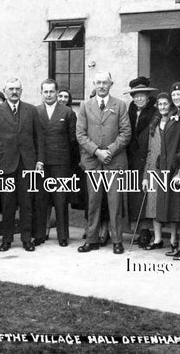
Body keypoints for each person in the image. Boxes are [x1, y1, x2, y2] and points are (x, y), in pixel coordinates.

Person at [0, 77, 45, 252]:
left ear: (21, 91)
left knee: (27, 203)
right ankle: (7, 239)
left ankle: (27, 239)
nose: (14, 92)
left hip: (27, 164)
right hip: (5, 164)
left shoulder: (31, 110)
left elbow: (39, 138)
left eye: (17, 89)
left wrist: (39, 161)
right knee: (7, 203)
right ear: (5, 91)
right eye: (11, 89)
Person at [76, 71, 131, 254]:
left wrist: (109, 151)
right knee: (93, 201)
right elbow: (80, 134)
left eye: (105, 82)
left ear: (111, 84)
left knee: (115, 202)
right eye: (98, 82)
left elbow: (126, 133)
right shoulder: (85, 106)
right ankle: (91, 239)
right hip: (93, 162)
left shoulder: (120, 105)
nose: (101, 86)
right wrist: (97, 151)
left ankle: (117, 240)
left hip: (114, 161)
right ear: (94, 83)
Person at [33, 79, 77, 247]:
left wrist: (71, 165)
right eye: (46, 91)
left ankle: (63, 236)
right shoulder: (35, 111)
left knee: (61, 199)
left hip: (61, 163)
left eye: (52, 92)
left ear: (57, 93)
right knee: (41, 199)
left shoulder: (67, 112)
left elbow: (72, 141)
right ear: (41, 93)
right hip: (41, 163)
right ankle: (39, 235)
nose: (49, 95)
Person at [156, 82, 180, 258]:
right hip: (170, 166)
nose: (176, 97)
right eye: (174, 95)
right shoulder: (175, 114)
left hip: (179, 168)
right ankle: (179, 244)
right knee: (174, 209)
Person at [124, 76, 158, 248]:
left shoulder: (155, 111)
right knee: (134, 196)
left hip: (147, 157)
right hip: (131, 159)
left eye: (142, 95)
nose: (138, 98)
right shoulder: (129, 111)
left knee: (146, 196)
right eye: (135, 95)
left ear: (147, 95)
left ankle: (146, 231)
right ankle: (137, 230)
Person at [141, 93, 170, 250]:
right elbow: (150, 151)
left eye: (166, 104)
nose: (163, 107)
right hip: (154, 169)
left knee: (170, 204)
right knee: (153, 204)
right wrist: (146, 176)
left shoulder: (175, 122)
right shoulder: (155, 124)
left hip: (169, 169)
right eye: (160, 104)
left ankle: (174, 241)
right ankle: (157, 239)